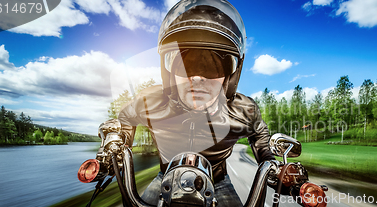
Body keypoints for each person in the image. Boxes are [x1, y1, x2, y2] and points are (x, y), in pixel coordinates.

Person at [115, 0, 275, 205]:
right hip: (165, 178)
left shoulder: (244, 110)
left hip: (218, 183)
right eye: (185, 65)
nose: (198, 78)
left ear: (229, 77)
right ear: (170, 73)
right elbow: (125, 117)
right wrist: (120, 145)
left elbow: (259, 131)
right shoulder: (149, 101)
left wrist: (270, 162)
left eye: (214, 67)